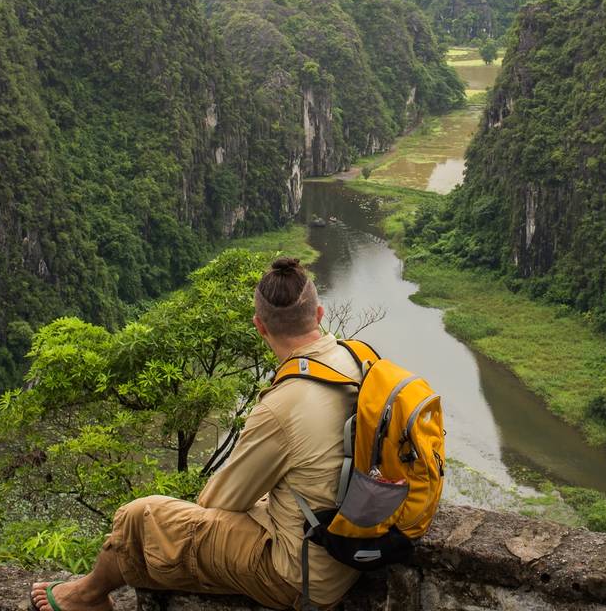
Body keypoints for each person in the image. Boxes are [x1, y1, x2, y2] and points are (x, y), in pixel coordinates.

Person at [31, 257, 362, 611]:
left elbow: (221, 502)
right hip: (349, 552)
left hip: (300, 576)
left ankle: (86, 597)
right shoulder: (355, 362)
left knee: (139, 516)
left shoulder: (284, 403)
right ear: (320, 314)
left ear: (259, 327)